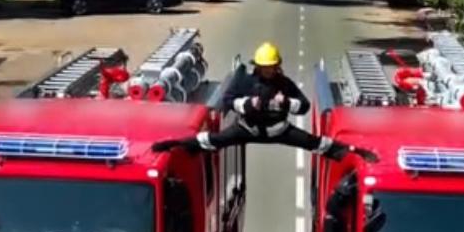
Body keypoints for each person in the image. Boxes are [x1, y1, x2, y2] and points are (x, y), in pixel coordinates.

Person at [150, 42, 379, 162]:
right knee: (211, 140)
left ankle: (355, 153)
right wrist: (247, 104)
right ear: (258, 66)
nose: (269, 70)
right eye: (265, 67)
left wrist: (286, 102)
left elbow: (305, 106)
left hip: (279, 130)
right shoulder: (245, 80)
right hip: (247, 129)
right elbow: (227, 101)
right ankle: (172, 146)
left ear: (277, 65)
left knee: (318, 143)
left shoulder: (284, 82)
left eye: (272, 66)